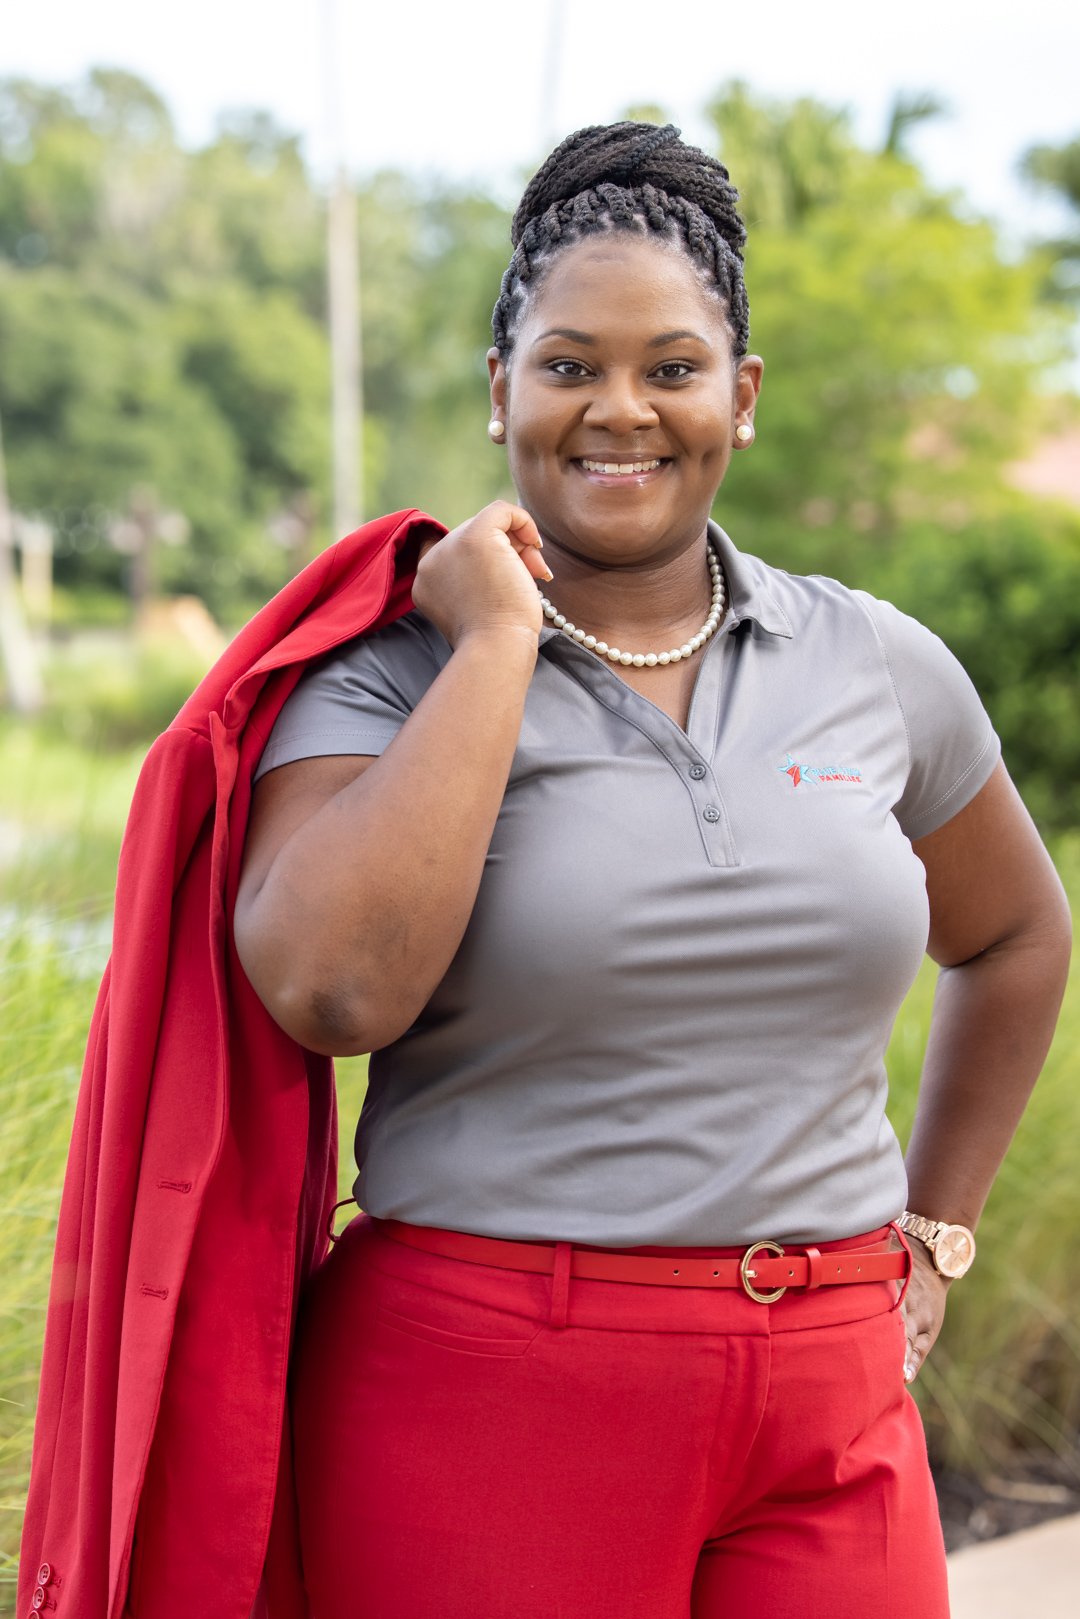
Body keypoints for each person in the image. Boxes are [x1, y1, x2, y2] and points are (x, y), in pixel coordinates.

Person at [229, 122, 1071, 1618]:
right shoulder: (380, 679)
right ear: (503, 394)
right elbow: (332, 988)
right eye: (569, 366)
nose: (621, 410)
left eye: (671, 368)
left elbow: (1014, 935)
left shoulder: (872, 661)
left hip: (828, 1401)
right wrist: (493, 640)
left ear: (739, 400)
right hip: (489, 1388)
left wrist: (935, 1234)